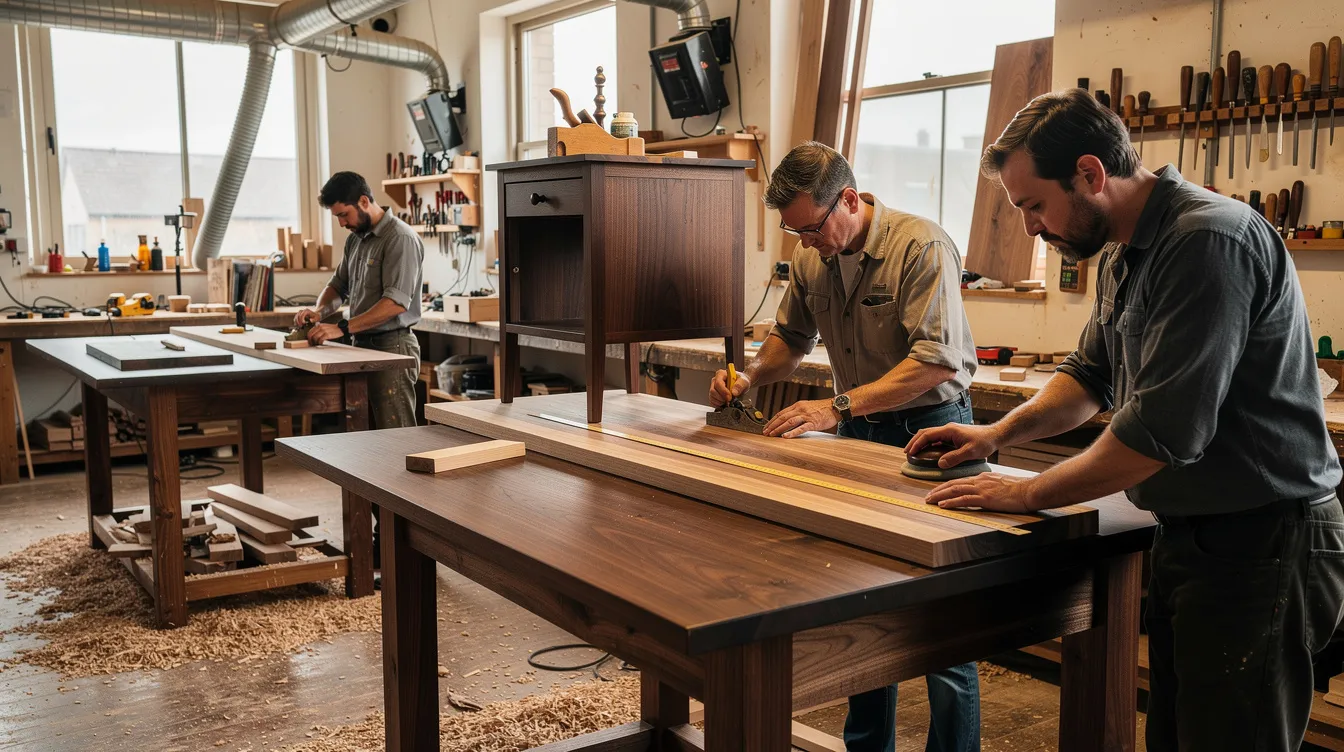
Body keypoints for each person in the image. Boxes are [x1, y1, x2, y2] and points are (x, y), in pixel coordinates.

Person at [910, 88, 1344, 751]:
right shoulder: (1122, 246)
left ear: (1089, 174)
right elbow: (1088, 376)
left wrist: (1023, 491)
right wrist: (998, 434)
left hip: (1265, 543)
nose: (1028, 227)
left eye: (1033, 205)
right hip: (1194, 535)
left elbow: (1158, 437)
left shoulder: (1207, 240)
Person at [710, 141, 981, 752]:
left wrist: (835, 407)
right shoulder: (812, 260)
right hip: (861, 430)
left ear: (850, 201)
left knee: (946, 622)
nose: (804, 242)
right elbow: (790, 339)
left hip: (932, 434)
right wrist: (750, 375)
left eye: (810, 228)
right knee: (861, 604)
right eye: (793, 231)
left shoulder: (922, 247)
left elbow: (934, 364)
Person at [294, 171, 424, 573]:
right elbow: (337, 286)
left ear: (365, 202)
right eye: (337, 216)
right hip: (361, 351)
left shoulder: (399, 239)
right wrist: (320, 310)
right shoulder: (357, 240)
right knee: (366, 455)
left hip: (392, 350)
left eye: (345, 213)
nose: (342, 223)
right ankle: (379, 542)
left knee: (394, 453)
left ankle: (407, 550)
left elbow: (395, 304)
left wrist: (343, 326)